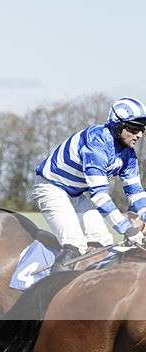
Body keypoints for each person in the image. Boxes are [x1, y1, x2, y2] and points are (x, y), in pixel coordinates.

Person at [32, 97, 146, 272]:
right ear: (117, 125)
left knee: (103, 243)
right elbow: (99, 196)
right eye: (134, 128)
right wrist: (126, 229)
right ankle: (45, 296)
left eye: (142, 129)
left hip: (75, 195)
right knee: (75, 246)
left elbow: (136, 193)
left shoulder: (128, 155)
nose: (139, 134)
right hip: (50, 188)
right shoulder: (96, 142)